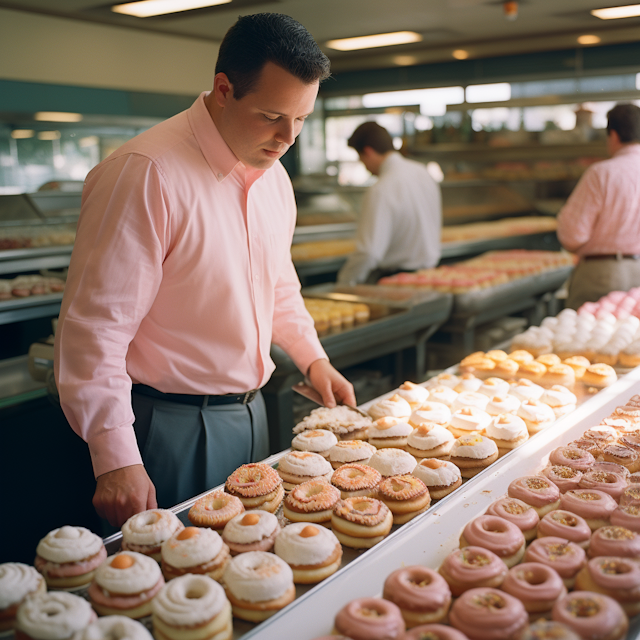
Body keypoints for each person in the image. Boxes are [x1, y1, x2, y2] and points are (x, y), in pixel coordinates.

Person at [54, 13, 355, 528]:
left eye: (301, 119)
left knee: (252, 576)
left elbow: (277, 285)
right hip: (168, 428)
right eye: (271, 115)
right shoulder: (146, 172)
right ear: (223, 89)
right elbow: (96, 330)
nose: (287, 138)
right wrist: (116, 458)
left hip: (253, 413)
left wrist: (313, 359)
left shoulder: (272, 176)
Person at [337, 121, 442, 285]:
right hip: (430, 276)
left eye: (361, 159)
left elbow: (369, 253)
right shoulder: (423, 173)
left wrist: (344, 283)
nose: (364, 166)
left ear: (368, 152)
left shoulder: (381, 190)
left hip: (397, 281)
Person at [557, 103, 640, 310]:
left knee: (585, 337)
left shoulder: (601, 173)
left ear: (613, 135)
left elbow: (572, 234)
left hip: (603, 276)